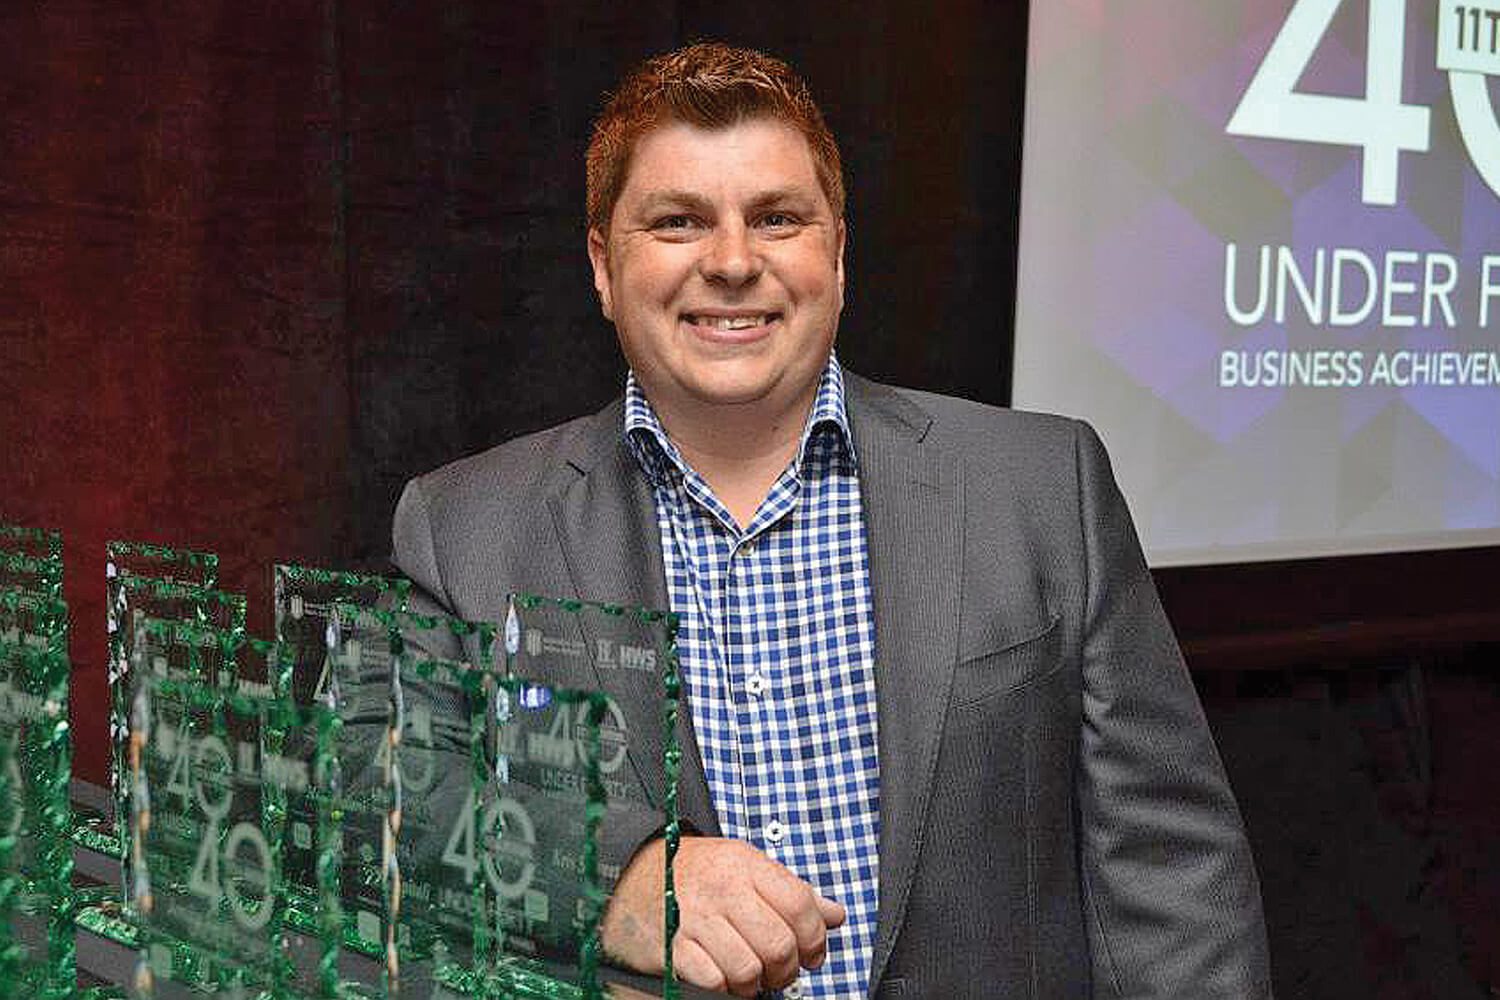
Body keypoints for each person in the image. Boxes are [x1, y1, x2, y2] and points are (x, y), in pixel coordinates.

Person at [391, 42, 1271, 1000]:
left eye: (778, 218)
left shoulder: (1039, 486)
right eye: (678, 222)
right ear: (603, 264)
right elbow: (385, 806)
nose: (733, 263)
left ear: (839, 254)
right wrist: (614, 882)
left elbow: (1172, 876)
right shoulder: (465, 530)